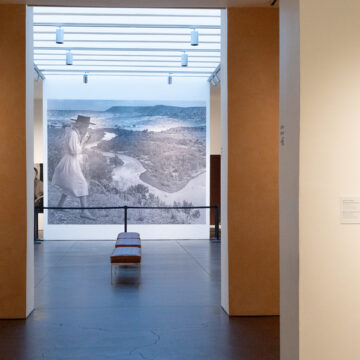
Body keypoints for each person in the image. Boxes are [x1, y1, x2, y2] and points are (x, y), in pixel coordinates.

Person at [52, 115, 96, 220]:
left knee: (68, 184)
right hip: (70, 162)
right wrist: (84, 140)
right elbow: (74, 151)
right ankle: (84, 212)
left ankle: (59, 206)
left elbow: (75, 150)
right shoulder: (73, 134)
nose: (86, 128)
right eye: (85, 126)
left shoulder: (74, 133)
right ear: (80, 125)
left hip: (71, 162)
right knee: (82, 184)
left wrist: (84, 139)